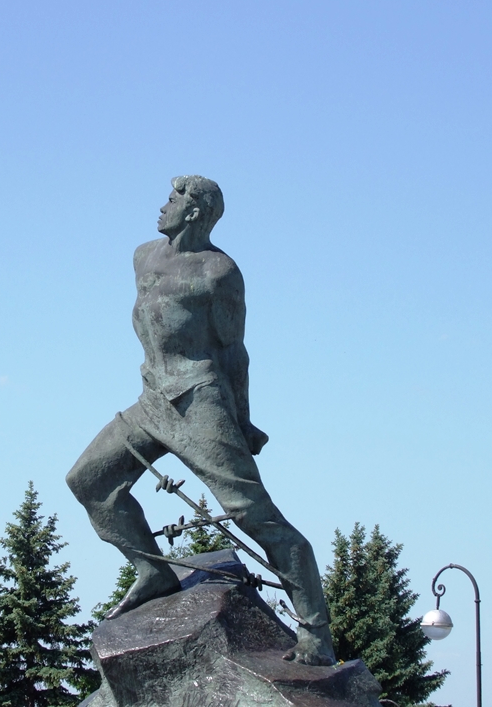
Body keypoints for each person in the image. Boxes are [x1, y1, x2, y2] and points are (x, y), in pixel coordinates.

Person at [66, 175, 335, 666]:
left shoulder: (219, 272)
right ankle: (154, 573)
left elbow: (235, 352)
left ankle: (316, 632)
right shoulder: (143, 255)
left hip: (200, 400)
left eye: (172, 199)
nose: (162, 205)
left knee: (255, 515)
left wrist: (244, 419)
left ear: (195, 212)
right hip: (152, 399)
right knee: (88, 480)